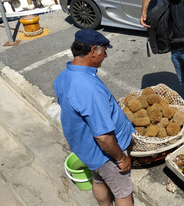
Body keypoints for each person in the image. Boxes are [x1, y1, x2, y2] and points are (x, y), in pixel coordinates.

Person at [53, 29, 136, 206]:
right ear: (92, 51)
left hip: (86, 150)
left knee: (98, 180)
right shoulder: (89, 88)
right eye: (104, 52)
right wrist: (121, 158)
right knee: (123, 193)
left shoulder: (63, 77)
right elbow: (103, 137)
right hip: (106, 155)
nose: (105, 56)